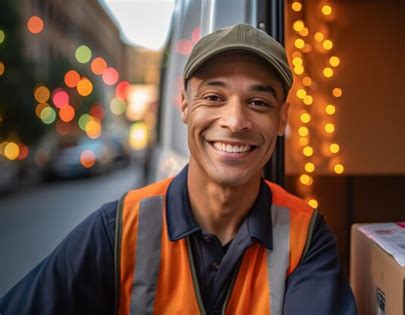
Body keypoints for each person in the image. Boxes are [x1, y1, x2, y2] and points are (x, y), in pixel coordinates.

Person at [0, 24, 357, 314]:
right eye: (214, 97)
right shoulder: (116, 231)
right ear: (185, 107)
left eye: (259, 102)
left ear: (281, 119)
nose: (234, 121)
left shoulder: (306, 236)